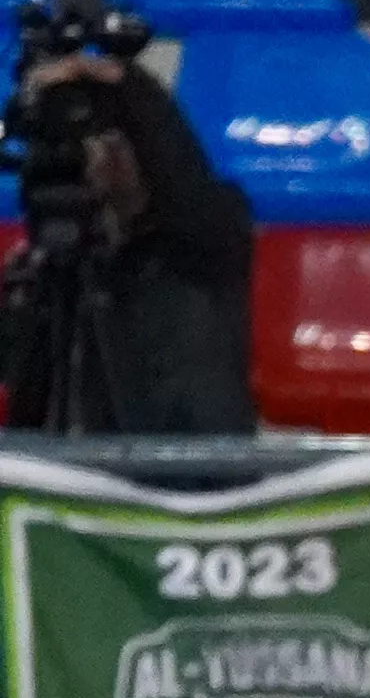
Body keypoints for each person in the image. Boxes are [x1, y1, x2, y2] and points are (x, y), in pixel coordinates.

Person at [0, 36, 255, 437]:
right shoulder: (52, 266)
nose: (95, 158)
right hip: (83, 485)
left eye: (107, 138)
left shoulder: (205, 231)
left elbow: (183, 179)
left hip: (189, 474)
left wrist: (126, 85)